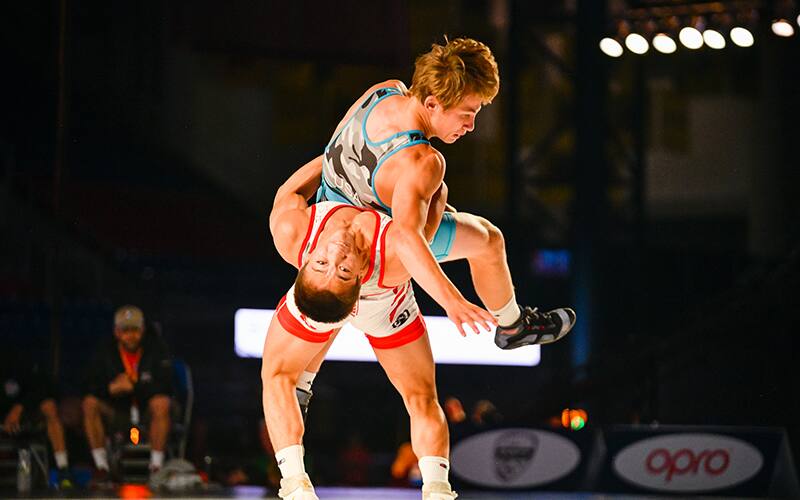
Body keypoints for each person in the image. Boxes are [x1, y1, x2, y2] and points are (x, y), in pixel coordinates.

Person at [262, 157, 573, 499]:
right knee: (488, 240)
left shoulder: (291, 231)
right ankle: (512, 325)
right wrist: (432, 184)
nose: (335, 256)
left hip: (329, 297)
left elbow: (289, 189)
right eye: (343, 270)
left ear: (305, 261)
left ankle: (298, 434)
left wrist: (339, 153)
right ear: (358, 278)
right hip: (385, 306)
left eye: (322, 263)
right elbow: (427, 220)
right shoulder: (394, 254)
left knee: (285, 377)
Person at [312, 36, 575, 347]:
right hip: (371, 249)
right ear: (432, 102)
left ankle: (303, 383)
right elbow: (409, 237)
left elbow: (331, 154)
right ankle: (514, 327)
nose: (471, 125)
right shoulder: (423, 160)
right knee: (489, 240)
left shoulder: (382, 91)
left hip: (322, 222)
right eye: (467, 113)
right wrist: (452, 301)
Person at [82, 305, 173, 485]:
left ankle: (156, 468)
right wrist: (110, 388)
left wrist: (134, 386)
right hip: (118, 412)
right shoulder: (104, 351)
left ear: (143, 330)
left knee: (161, 402)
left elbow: (166, 385)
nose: (131, 335)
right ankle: (102, 468)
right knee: (89, 403)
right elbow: (89, 384)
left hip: (147, 411)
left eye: (135, 330)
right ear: (117, 332)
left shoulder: (157, 348)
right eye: (125, 330)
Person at [1, 353, 73, 489]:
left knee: (49, 406)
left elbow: (42, 388)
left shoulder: (17, 360)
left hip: (24, 412)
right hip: (3, 415)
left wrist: (18, 408)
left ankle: (63, 468)